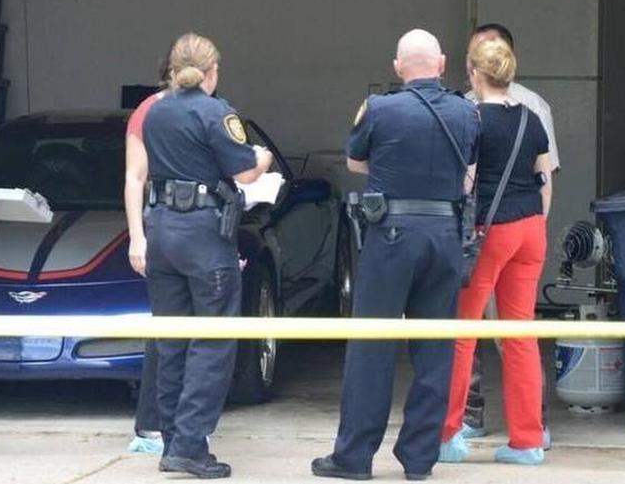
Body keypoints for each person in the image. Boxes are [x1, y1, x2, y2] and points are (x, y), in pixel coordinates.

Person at [312, 29, 480, 482]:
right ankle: (420, 459)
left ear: (397, 67)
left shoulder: (381, 109)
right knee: (434, 349)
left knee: (373, 346)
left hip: (390, 235)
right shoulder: (466, 112)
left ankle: (354, 457)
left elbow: (354, 161)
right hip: (445, 235)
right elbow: (469, 171)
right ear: (442, 64)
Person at [143, 32, 273, 479]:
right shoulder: (218, 112)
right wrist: (264, 159)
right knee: (213, 342)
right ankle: (190, 446)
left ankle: (171, 441)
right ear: (212, 70)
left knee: (172, 339)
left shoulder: (155, 111)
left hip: (160, 229)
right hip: (202, 233)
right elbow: (244, 172)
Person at [439, 37, 552, 466]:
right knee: (520, 333)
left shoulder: (471, 120)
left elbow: (466, 181)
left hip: (490, 230)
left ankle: (448, 435)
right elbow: (543, 176)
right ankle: (527, 441)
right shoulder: (530, 117)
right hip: (531, 230)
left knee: (462, 332)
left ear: (474, 73)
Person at [124, 56, 172, 455]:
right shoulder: (150, 111)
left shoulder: (208, 108)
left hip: (197, 231)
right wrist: (137, 237)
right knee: (166, 330)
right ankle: (152, 423)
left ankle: (181, 423)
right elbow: (135, 177)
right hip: (165, 226)